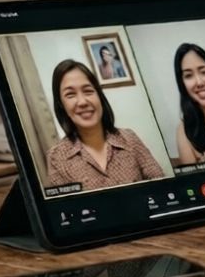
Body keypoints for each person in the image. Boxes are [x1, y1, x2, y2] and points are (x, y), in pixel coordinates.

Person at [45, 59, 165, 189]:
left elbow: (162, 185)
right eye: (70, 94)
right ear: (62, 105)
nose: (82, 102)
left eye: (88, 91)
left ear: (99, 96)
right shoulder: (56, 158)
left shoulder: (129, 138)